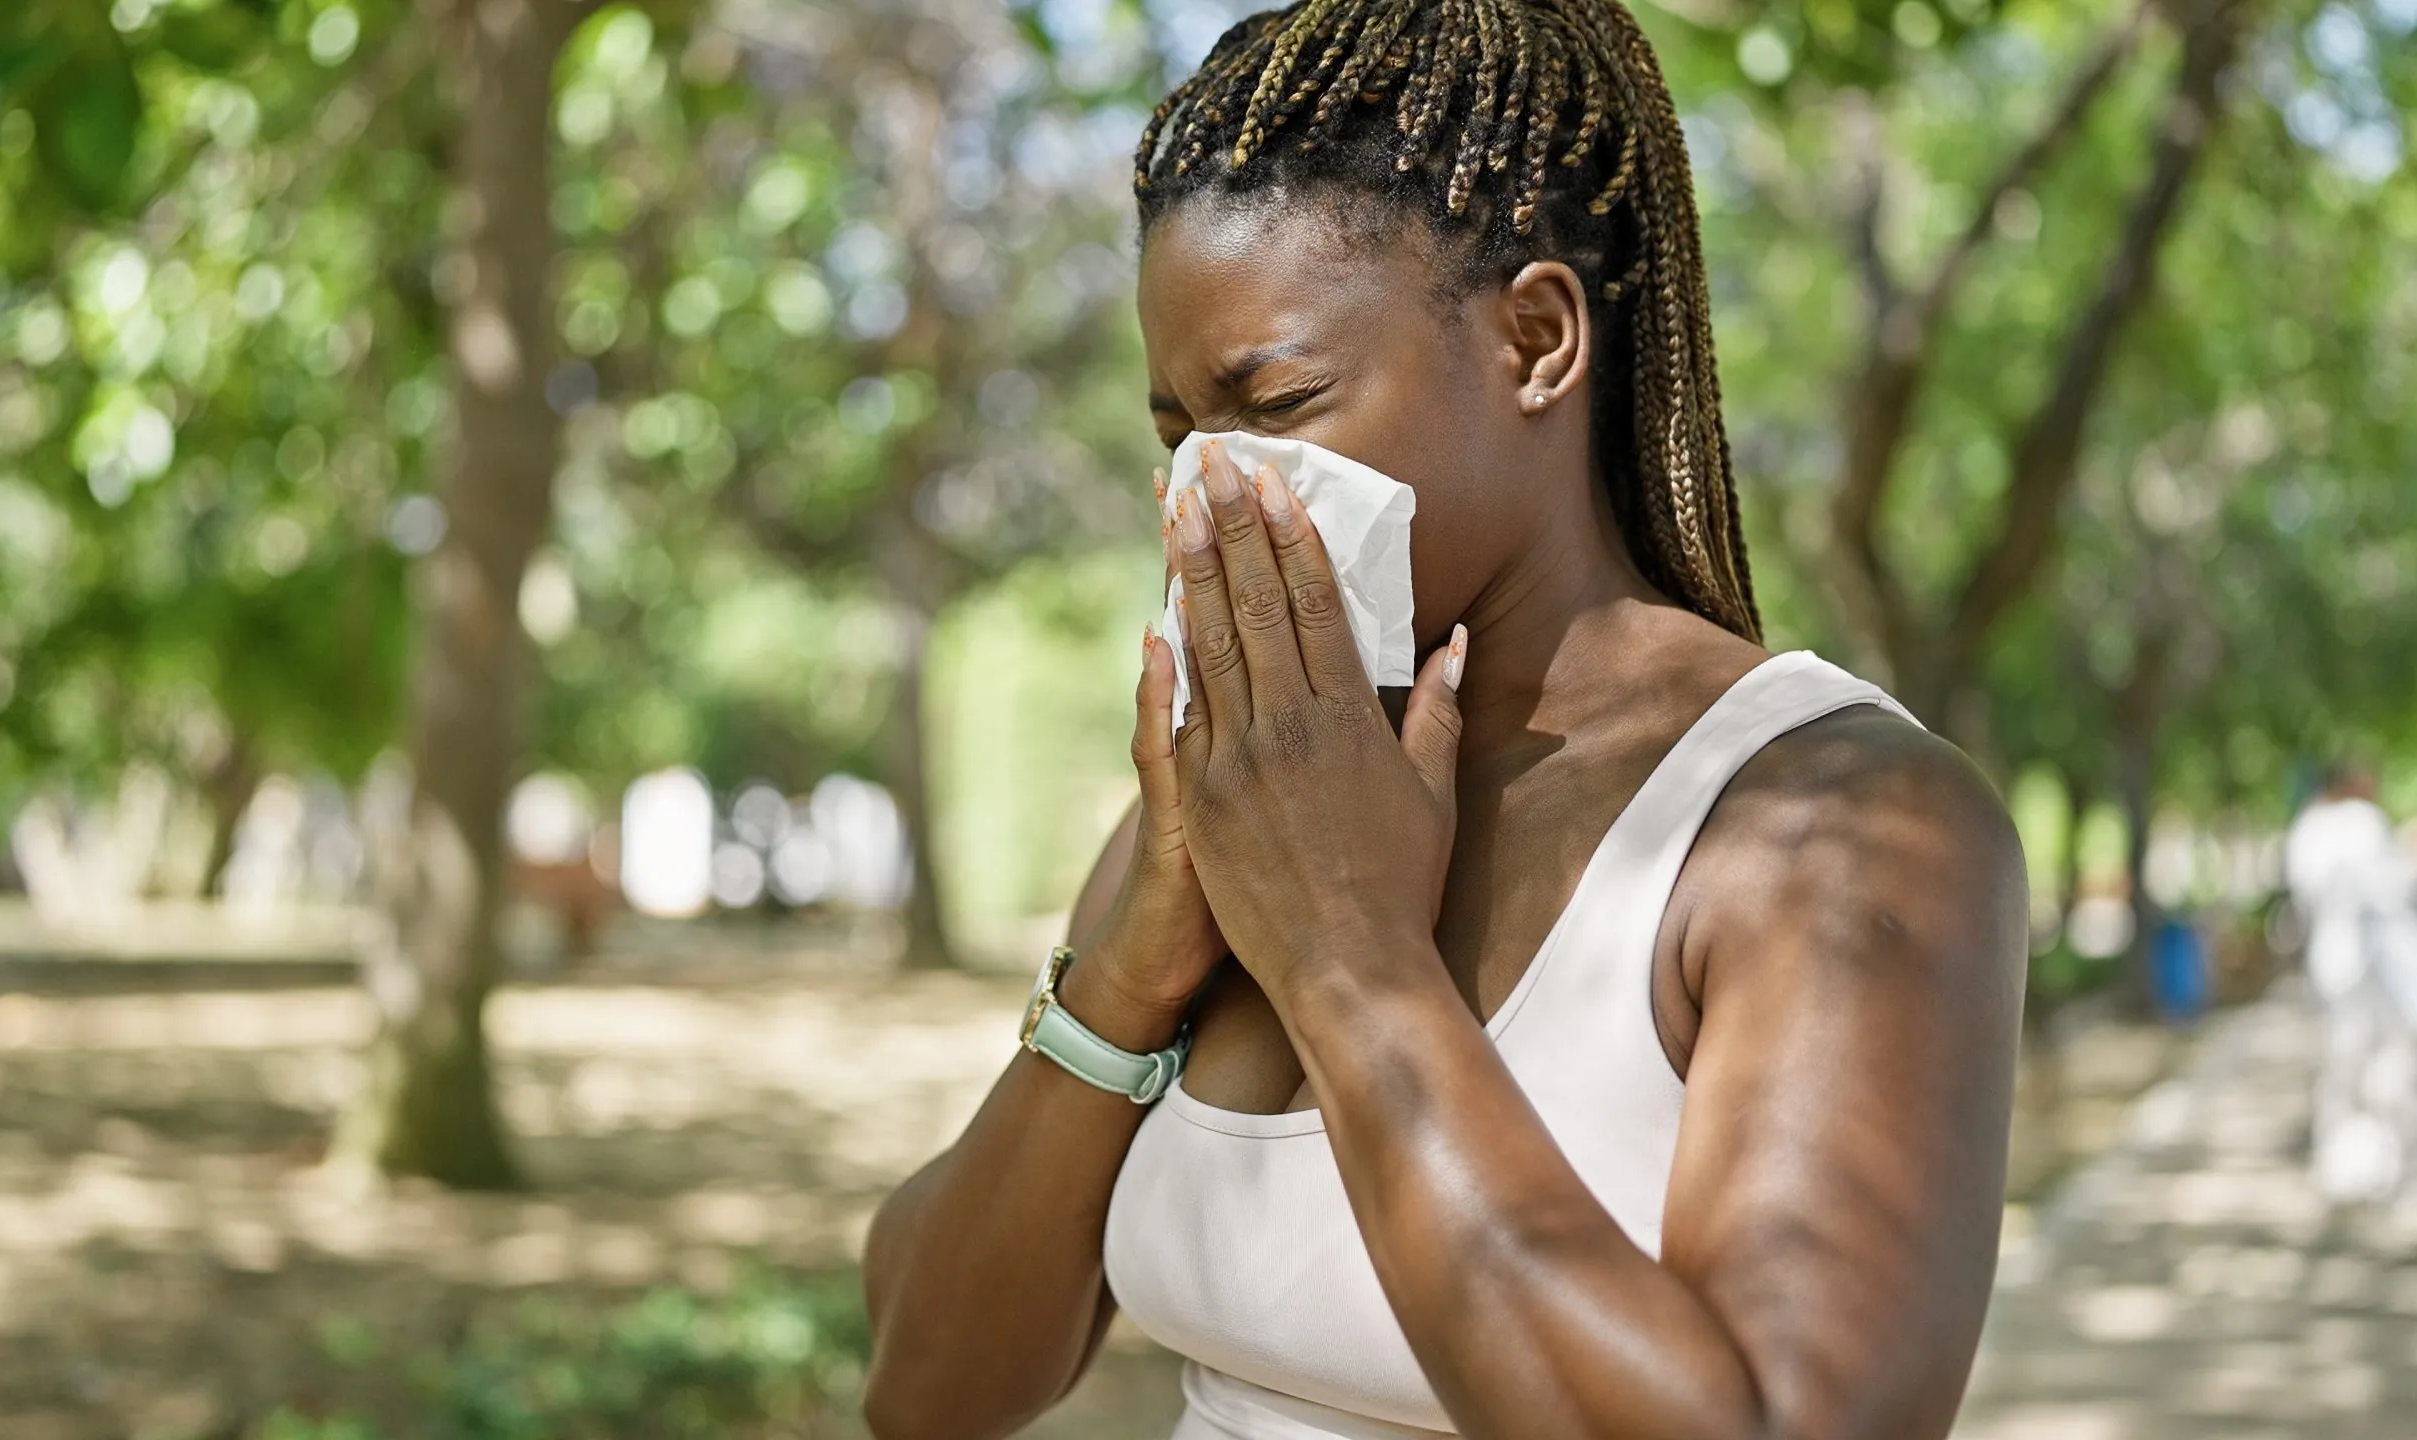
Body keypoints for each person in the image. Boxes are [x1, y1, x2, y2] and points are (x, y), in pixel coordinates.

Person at [861, 3, 2028, 1437]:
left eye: (1277, 402)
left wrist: (1349, 961)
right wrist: (1126, 977)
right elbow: (923, 1389)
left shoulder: (1836, 825)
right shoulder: (1258, 782)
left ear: (1536, 339)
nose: (1211, 494)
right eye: (1176, 438)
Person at [2285, 763, 2417, 1204]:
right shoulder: (2361, 824)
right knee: (2375, 1064)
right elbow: (2391, 890)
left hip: (2339, 967)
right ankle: (2374, 1162)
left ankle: (2351, 1161)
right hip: (2367, 969)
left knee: (2348, 1066)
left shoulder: (2308, 830)